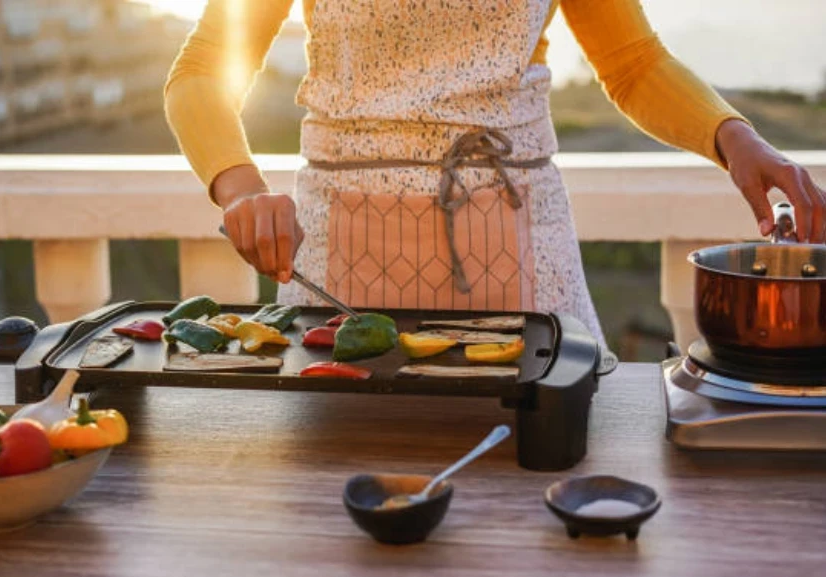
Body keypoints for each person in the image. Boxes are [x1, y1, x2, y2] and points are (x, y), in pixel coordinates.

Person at [164, 0, 825, 345]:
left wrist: (734, 137)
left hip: (521, 249)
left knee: (543, 482)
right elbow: (204, 66)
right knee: (338, 498)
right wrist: (239, 183)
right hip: (336, 260)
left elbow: (634, 64)